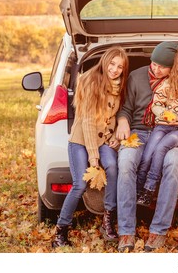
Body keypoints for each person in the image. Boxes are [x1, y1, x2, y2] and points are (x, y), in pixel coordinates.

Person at [52, 46, 129, 247]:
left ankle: (108, 221)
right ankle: (61, 231)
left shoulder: (120, 86)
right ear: (104, 61)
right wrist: (93, 157)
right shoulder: (88, 80)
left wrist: (116, 138)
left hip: (104, 140)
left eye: (119, 67)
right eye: (112, 63)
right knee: (79, 184)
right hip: (81, 140)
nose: (114, 69)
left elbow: (117, 114)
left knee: (113, 168)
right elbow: (87, 121)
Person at [115, 41, 178, 252]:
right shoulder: (136, 76)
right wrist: (122, 121)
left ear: (173, 68)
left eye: (162, 66)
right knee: (125, 163)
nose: (155, 69)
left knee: (173, 163)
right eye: (154, 63)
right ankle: (126, 230)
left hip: (168, 134)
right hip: (138, 132)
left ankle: (158, 231)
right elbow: (124, 107)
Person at [136, 45, 178, 208]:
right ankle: (137, 190)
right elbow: (156, 105)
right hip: (163, 126)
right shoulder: (167, 84)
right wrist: (164, 114)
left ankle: (149, 189)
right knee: (147, 155)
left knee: (162, 148)